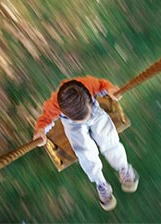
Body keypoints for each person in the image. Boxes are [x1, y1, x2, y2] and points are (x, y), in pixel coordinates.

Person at [33, 76, 139, 211]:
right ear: (64, 112)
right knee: (85, 153)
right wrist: (40, 130)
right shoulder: (54, 105)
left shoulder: (88, 84)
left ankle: (123, 167)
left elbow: (102, 85)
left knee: (109, 139)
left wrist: (109, 88)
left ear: (89, 98)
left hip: (95, 114)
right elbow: (45, 118)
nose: (84, 120)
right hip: (73, 126)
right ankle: (100, 182)